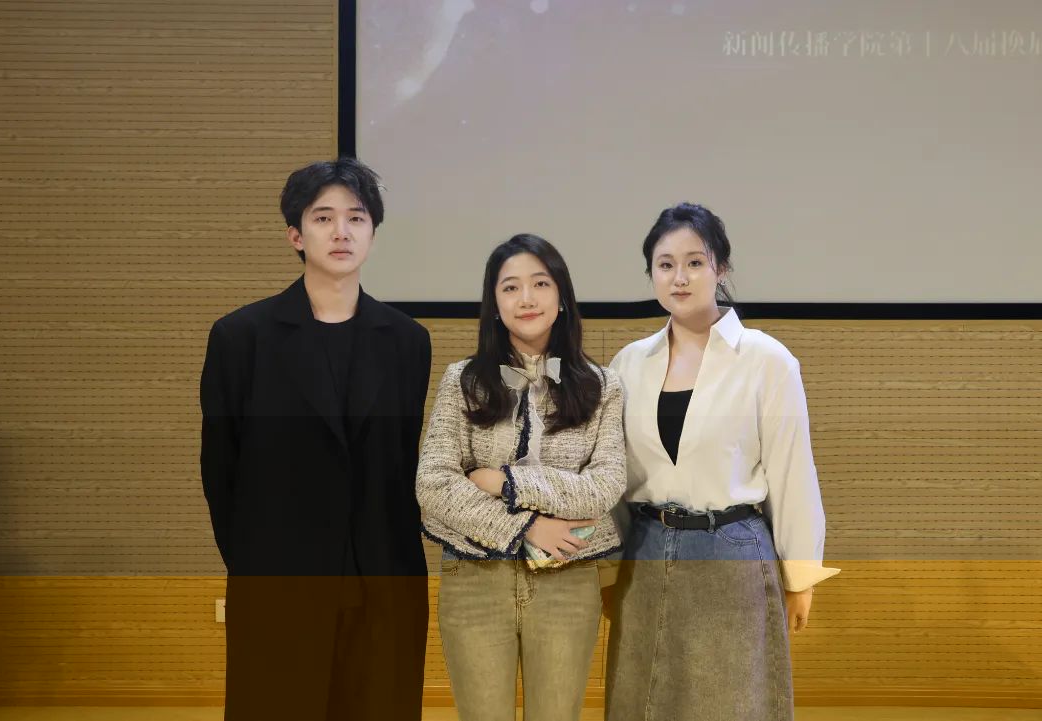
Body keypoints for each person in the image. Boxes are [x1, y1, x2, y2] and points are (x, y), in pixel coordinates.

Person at [200, 158, 432, 720]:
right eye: (323, 217)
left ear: (373, 232)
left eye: (356, 217)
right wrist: (257, 561)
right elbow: (220, 468)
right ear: (295, 235)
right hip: (279, 572)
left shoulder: (407, 341)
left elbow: (403, 463)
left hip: (383, 573)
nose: (341, 231)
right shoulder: (241, 337)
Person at [605, 203, 839, 721]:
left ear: (721, 268)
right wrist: (606, 568)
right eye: (665, 264)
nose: (679, 277)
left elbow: (793, 473)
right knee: (641, 703)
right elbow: (612, 480)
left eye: (695, 262)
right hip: (643, 555)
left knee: (732, 704)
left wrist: (800, 576)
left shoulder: (767, 360)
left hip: (730, 554)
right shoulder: (627, 364)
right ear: (651, 273)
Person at [416, 234, 626, 721]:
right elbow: (434, 482)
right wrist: (528, 527)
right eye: (510, 287)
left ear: (562, 297)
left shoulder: (604, 386)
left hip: (567, 579)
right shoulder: (463, 380)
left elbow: (604, 486)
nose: (526, 298)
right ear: (494, 304)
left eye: (540, 284)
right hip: (474, 577)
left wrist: (504, 482)